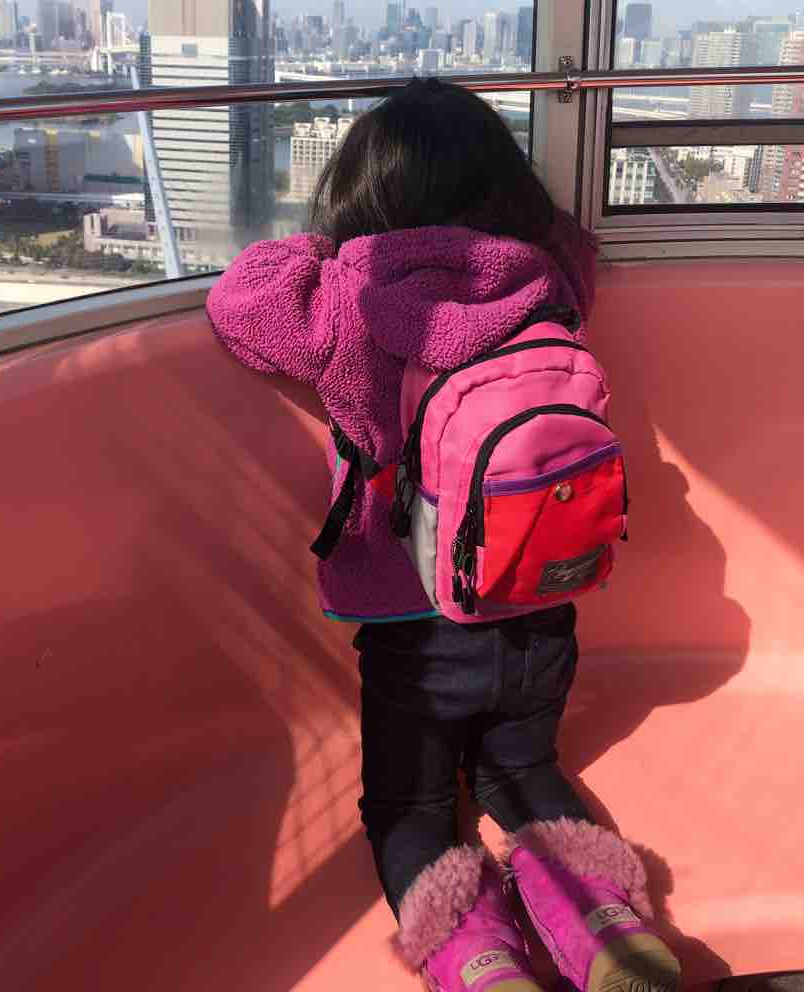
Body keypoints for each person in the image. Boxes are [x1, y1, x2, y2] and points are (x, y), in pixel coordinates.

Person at [207, 78, 680, 992]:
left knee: (411, 805)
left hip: (413, 623)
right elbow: (576, 239)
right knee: (522, 769)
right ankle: (609, 931)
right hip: (540, 595)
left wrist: (331, 244)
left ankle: (483, 964)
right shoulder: (547, 276)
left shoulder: (350, 298)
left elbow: (242, 301)